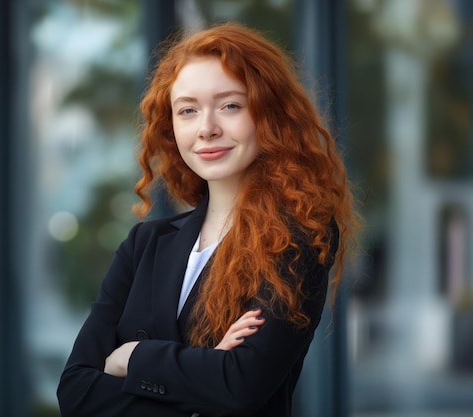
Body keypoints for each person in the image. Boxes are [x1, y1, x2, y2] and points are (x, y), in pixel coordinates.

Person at [57, 22, 358, 417]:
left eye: (230, 105)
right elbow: (76, 393)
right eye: (188, 110)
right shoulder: (144, 244)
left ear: (270, 114)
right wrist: (200, 375)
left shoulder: (297, 235)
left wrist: (131, 358)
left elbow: (239, 386)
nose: (207, 128)